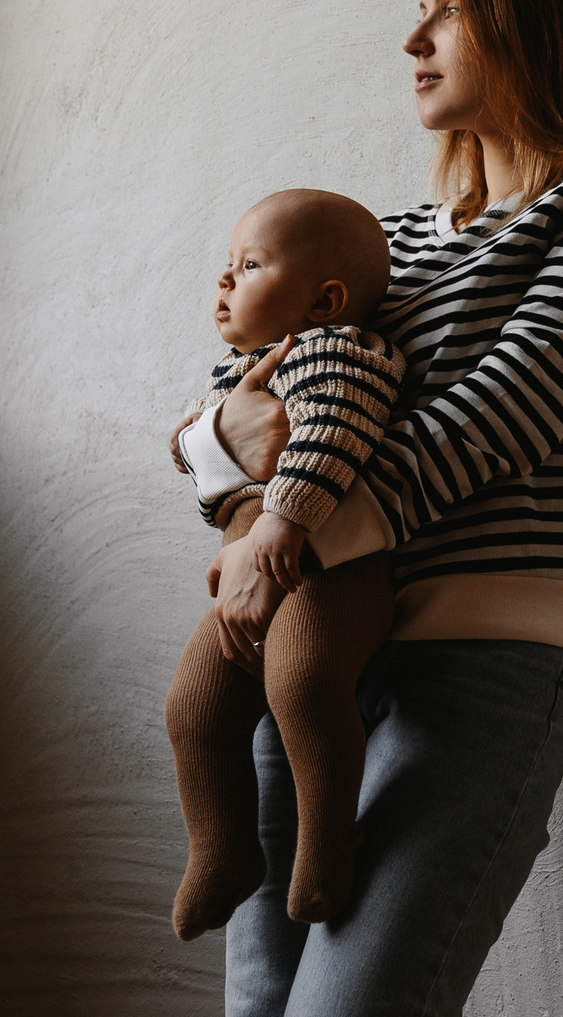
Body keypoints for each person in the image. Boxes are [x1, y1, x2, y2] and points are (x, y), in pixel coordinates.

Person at [184, 0, 563, 1017]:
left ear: (537, 23)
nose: (412, 38)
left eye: (448, 8)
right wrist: (217, 451)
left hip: (486, 656)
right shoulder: (391, 243)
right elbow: (243, 410)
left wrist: (287, 522)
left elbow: (513, 407)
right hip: (306, 640)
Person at [163, 190, 407, 940]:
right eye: (227, 264)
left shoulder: (342, 352)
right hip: (248, 569)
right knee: (192, 706)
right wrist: (198, 437)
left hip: (327, 569)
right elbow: (199, 457)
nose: (224, 280)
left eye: (250, 265)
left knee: (303, 682)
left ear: (324, 301)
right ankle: (222, 849)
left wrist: (283, 515)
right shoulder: (238, 370)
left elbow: (334, 427)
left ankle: (328, 840)